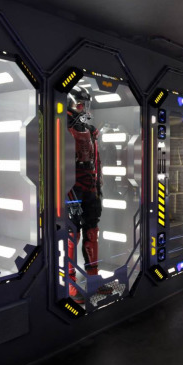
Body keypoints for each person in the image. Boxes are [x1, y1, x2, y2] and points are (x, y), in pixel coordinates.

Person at [65, 88, 110, 303]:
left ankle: (93, 280)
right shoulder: (62, 126)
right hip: (72, 187)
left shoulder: (90, 130)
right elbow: (58, 163)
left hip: (90, 186)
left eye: (85, 104)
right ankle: (70, 284)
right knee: (71, 236)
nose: (84, 108)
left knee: (92, 233)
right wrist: (68, 194)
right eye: (80, 104)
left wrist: (98, 187)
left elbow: (96, 160)